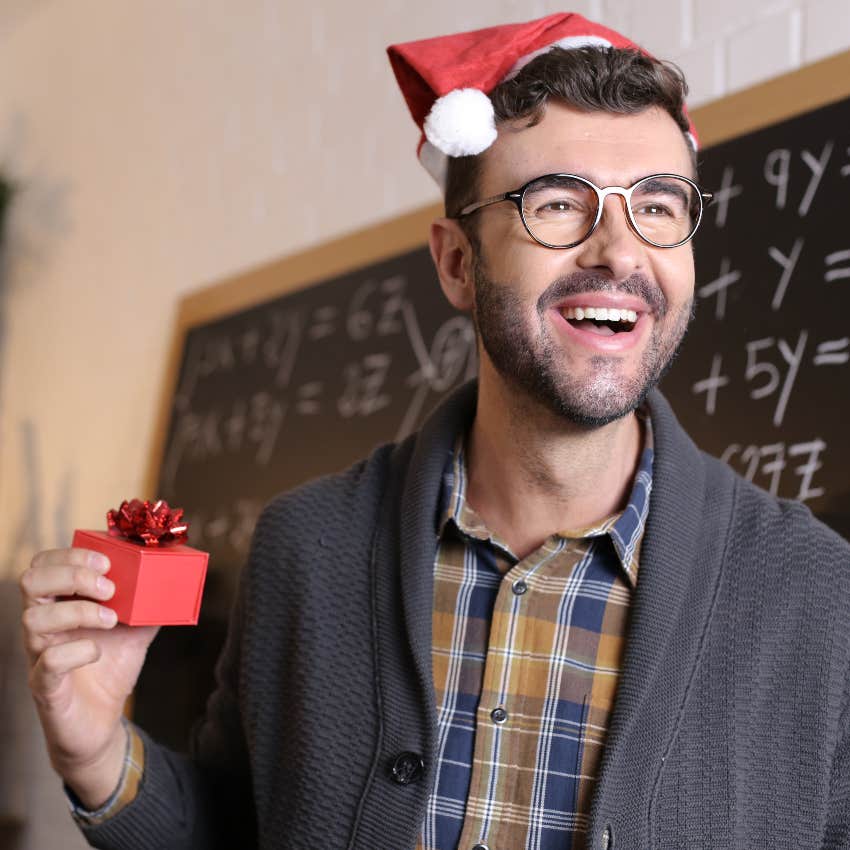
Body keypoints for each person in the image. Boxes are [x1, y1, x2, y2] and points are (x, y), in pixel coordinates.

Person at [18, 12, 850, 850]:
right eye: (558, 203)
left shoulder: (818, 596)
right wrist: (97, 753)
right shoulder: (305, 552)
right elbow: (235, 829)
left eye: (658, 206)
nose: (618, 250)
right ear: (456, 262)